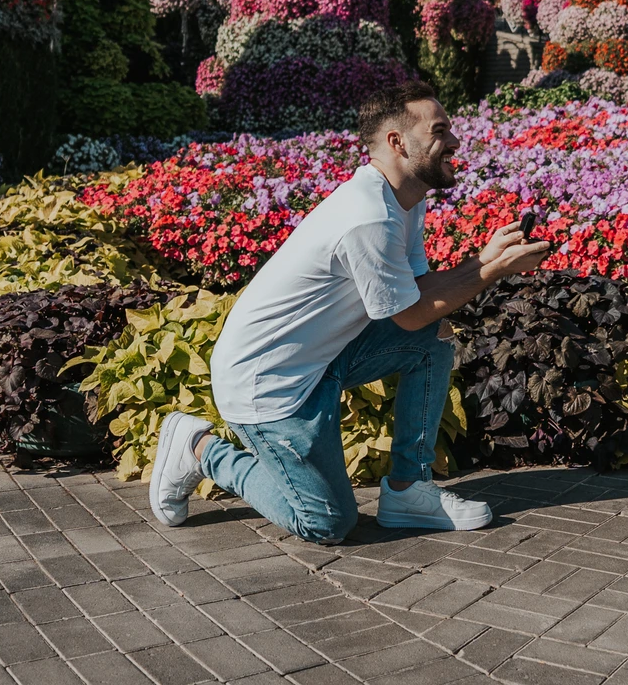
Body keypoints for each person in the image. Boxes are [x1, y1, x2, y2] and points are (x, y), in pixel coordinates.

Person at [147, 79, 550, 540]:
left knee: (432, 340)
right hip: (269, 385)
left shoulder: (403, 199)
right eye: (440, 131)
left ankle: (407, 490)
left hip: (320, 359)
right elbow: (409, 315)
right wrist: (491, 268)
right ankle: (199, 449)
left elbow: (419, 300)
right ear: (397, 143)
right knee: (327, 523)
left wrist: (485, 260)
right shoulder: (368, 217)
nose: (454, 142)